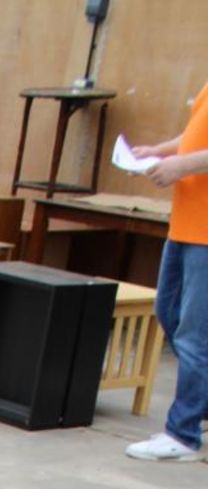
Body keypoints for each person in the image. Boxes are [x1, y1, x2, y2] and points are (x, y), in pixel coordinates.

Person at [126, 82, 208, 460]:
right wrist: (159, 152)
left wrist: (183, 165)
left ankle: (183, 434)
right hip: (186, 223)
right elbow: (196, 135)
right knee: (168, 313)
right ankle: (200, 406)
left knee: (194, 335)